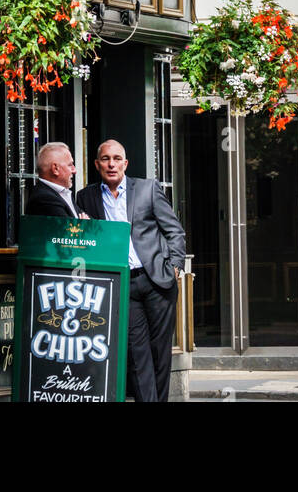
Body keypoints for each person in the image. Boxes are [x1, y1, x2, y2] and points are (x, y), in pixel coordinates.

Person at [77, 139, 185, 403]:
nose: (111, 164)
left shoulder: (148, 189)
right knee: (137, 354)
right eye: (105, 159)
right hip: (122, 285)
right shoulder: (85, 197)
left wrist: (174, 265)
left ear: (125, 163)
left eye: (116, 159)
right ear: (96, 164)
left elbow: (174, 230)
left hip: (156, 279)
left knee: (160, 352)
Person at [24, 142, 81, 217]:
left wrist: (83, 224)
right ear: (55, 169)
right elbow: (68, 228)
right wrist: (83, 224)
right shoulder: (45, 199)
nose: (74, 171)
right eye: (70, 165)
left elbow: (90, 223)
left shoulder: (62, 193)